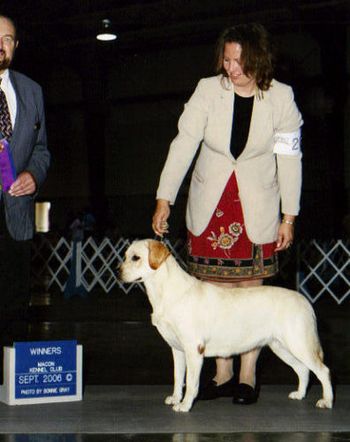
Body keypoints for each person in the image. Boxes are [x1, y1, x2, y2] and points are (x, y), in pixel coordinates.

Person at [152, 23, 303, 405]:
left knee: (252, 292)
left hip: (258, 207)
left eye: (239, 61)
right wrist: (164, 196)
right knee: (212, 291)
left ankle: (247, 377)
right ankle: (220, 375)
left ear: (258, 60)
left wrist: (290, 215)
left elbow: (289, 161)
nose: (230, 68)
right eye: (227, 58)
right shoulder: (207, 90)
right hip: (211, 206)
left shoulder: (282, 98)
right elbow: (183, 144)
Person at [0, 15, 50, 339]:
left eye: (6, 38)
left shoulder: (32, 91)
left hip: (16, 215)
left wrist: (34, 173)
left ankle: (7, 383)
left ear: (16, 46)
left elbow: (42, 150)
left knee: (14, 305)